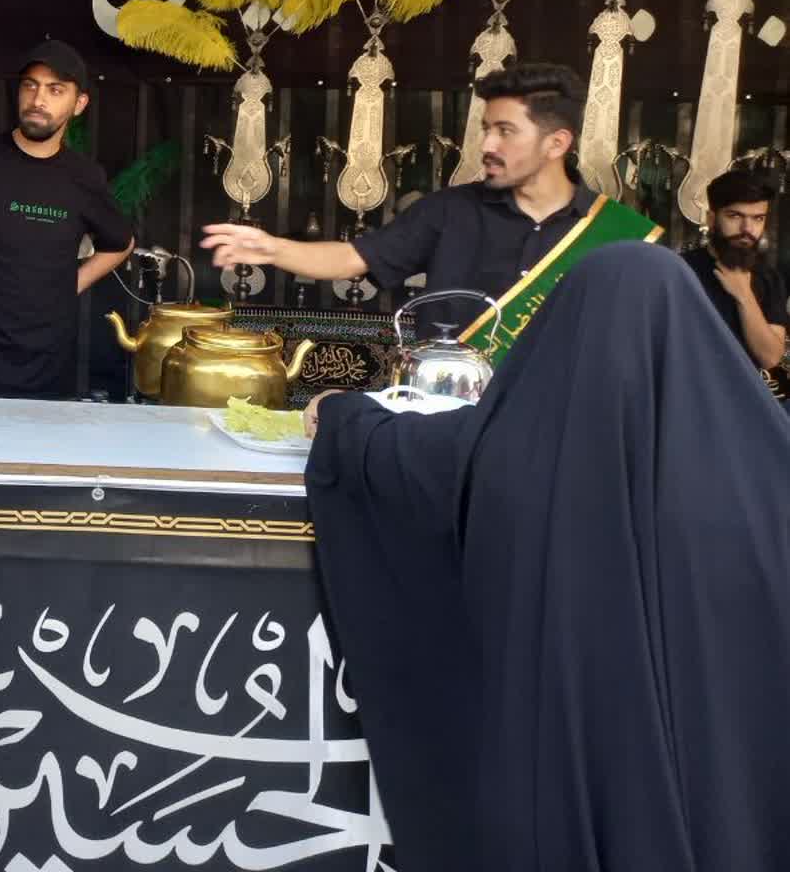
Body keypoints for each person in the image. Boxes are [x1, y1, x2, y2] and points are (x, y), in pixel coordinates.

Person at [301, 241, 790, 872]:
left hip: (564, 789)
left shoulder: (516, 455)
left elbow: (405, 459)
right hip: (731, 806)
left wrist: (339, 412)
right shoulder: (767, 471)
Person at [202, 63, 595, 331]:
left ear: (556, 143)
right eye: (486, 129)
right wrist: (272, 249)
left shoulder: (613, 233)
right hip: (447, 414)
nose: (487, 144)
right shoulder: (447, 211)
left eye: (505, 131)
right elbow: (351, 258)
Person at [0, 39, 134, 400]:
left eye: (55, 89)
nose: (38, 100)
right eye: (30, 86)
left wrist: (70, 284)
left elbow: (121, 243)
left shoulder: (84, 177)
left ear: (79, 104)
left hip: (48, 379)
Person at [680, 168, 788, 371]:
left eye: (758, 218)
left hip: (745, 390)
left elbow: (771, 358)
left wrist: (744, 295)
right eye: (735, 216)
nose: (747, 229)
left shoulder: (770, 278)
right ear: (712, 219)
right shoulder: (680, 270)